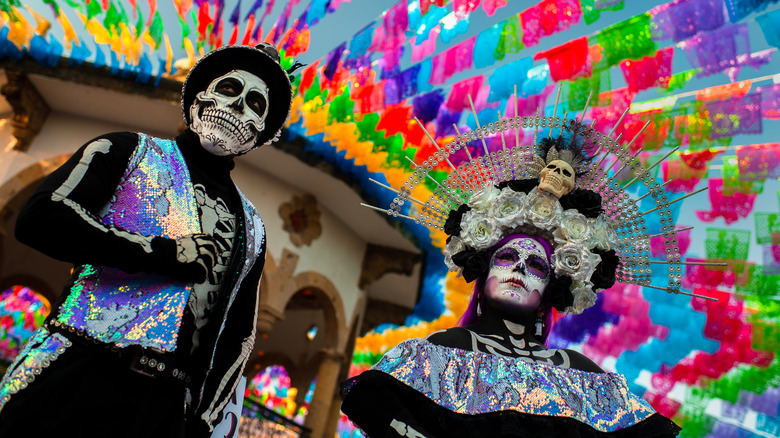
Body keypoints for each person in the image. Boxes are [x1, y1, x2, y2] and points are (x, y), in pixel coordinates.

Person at [0, 43, 300, 437]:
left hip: (163, 409)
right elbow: (41, 218)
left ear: (261, 132)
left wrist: (202, 419)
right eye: (229, 89)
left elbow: (238, 335)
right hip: (76, 371)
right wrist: (159, 252)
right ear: (198, 99)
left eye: (255, 104)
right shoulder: (126, 150)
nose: (238, 106)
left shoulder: (254, 228)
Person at [341, 119, 683, 437]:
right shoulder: (443, 351)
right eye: (506, 257)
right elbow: (374, 404)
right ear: (484, 270)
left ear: (553, 286)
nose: (519, 268)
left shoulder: (581, 376)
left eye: (536, 266)